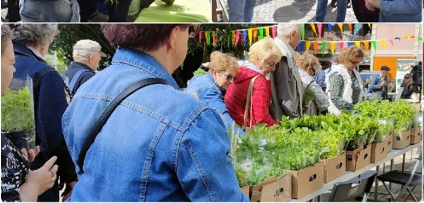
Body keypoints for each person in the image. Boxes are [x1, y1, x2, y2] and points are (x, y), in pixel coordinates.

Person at [62, 24, 247, 201]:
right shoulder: (191, 117)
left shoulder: (84, 93)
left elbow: (86, 172)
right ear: (173, 35)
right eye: (190, 30)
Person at [11, 24, 77, 201]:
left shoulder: (10, 65)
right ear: (45, 39)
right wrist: (71, 176)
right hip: (38, 177)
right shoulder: (45, 73)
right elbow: (55, 134)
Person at [1, 25, 59, 202]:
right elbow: (54, 131)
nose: (15, 69)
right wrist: (34, 186)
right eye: (11, 63)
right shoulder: (46, 73)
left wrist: (16, 156)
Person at [225, 37, 282, 127]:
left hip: (232, 126)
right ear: (258, 59)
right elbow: (261, 119)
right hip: (245, 130)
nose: (273, 69)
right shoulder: (258, 81)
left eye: (275, 64)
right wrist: (279, 129)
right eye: (271, 64)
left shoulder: (241, 71)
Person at [185, 51, 244, 136]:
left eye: (233, 78)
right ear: (215, 73)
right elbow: (224, 118)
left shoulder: (199, 78)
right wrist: (244, 139)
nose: (231, 82)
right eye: (228, 77)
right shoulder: (209, 90)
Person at [271, 23, 305, 119]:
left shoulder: (279, 49)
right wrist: (296, 120)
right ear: (293, 34)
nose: (300, 39)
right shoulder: (282, 53)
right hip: (284, 120)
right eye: (300, 35)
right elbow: (286, 98)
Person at [326, 46, 364, 114]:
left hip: (353, 113)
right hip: (340, 114)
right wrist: (352, 108)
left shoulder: (355, 73)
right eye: (353, 62)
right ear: (345, 59)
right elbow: (335, 97)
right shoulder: (338, 74)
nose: (355, 65)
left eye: (358, 62)